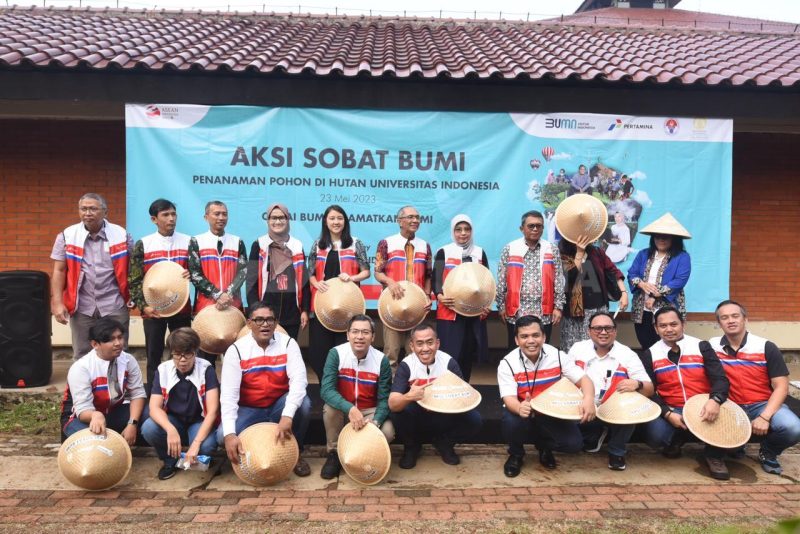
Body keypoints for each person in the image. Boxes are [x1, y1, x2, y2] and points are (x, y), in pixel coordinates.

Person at [218, 303, 312, 477]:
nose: (265, 324)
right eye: (259, 320)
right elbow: (228, 396)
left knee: (304, 405)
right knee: (221, 435)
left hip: (278, 405)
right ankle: (257, 454)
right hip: (249, 408)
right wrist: (230, 434)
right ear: (249, 323)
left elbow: (299, 382)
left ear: (276, 323)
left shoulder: (288, 343)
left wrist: (287, 415)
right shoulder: (236, 350)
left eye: (270, 320)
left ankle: (296, 452)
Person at [640, 307, 732, 480]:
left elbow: (721, 379)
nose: (669, 329)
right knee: (655, 436)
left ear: (683, 324)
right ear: (656, 329)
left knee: (732, 441)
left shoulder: (701, 346)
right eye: (663, 325)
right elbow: (648, 391)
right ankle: (678, 437)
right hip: (673, 409)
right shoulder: (650, 354)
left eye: (674, 324)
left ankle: (714, 455)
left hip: (704, 407)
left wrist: (715, 401)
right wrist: (667, 413)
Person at [498, 315, 595, 477]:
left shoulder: (557, 356)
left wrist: (589, 399)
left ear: (544, 337)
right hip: (524, 411)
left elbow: (584, 380)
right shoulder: (507, 363)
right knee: (510, 421)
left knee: (574, 444)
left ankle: (544, 447)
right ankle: (516, 454)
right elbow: (508, 398)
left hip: (551, 411)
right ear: (516, 340)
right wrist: (519, 407)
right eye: (524, 336)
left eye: (535, 335)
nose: (531, 341)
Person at [710, 300, 800, 475]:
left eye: (735, 316)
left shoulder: (765, 346)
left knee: (793, 428)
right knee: (726, 445)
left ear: (745, 319)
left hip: (762, 404)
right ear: (719, 323)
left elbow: (781, 386)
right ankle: (736, 445)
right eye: (724, 317)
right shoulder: (711, 347)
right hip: (730, 406)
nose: (731, 321)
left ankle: (768, 452)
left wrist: (765, 417)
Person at [50, 193, 133, 360]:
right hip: (82, 307)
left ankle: (116, 386)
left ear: (105, 212)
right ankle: (82, 387)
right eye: (84, 209)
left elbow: (133, 270)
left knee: (119, 355)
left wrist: (134, 297)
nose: (87, 213)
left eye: (93, 209)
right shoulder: (67, 236)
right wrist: (58, 303)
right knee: (82, 355)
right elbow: (59, 271)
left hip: (114, 305)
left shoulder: (122, 236)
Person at [388, 323, 482, 469]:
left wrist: (444, 401)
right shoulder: (406, 365)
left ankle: (445, 443)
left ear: (437, 343)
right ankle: (411, 447)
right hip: (417, 415)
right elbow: (393, 403)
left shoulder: (448, 362)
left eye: (430, 342)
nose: (425, 348)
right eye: (419, 344)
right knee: (398, 413)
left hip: (443, 415)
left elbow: (464, 396)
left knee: (474, 419)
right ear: (412, 346)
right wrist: (409, 396)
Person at [569, 312, 654, 471]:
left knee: (631, 405)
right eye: (598, 328)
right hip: (584, 405)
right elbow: (565, 378)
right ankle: (595, 435)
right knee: (578, 442)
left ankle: (617, 450)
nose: (603, 332)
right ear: (589, 331)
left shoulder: (627, 354)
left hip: (614, 407)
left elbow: (649, 389)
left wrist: (637, 384)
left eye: (608, 328)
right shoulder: (577, 349)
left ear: (615, 331)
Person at [319, 314, 394, 479]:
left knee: (388, 431)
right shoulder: (336, 354)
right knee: (329, 408)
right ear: (347, 335)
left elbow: (384, 399)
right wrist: (350, 408)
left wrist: (376, 422)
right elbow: (326, 390)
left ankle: (359, 453)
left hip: (369, 412)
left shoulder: (381, 360)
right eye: (355, 332)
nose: (360, 337)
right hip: (343, 410)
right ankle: (334, 453)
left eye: (365, 332)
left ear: (373, 337)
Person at [129, 198, 192, 388]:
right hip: (153, 310)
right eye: (165, 215)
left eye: (173, 214)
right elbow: (134, 280)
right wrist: (144, 306)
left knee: (184, 351)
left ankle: (184, 389)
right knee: (153, 354)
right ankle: (154, 394)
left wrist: (192, 273)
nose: (171, 219)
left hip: (181, 308)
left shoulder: (189, 241)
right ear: (153, 219)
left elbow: (198, 272)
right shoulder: (144, 244)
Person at [140, 328, 219, 480]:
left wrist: (196, 444)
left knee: (206, 446)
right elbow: (154, 408)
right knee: (149, 427)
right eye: (177, 354)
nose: (182, 360)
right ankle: (170, 460)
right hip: (174, 419)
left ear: (195, 352)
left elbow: (213, 411)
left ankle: (199, 455)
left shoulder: (206, 369)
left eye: (187, 354)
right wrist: (170, 429)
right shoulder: (163, 370)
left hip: (198, 420)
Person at [307, 205, 370, 381]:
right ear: (325, 222)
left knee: (345, 352)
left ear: (345, 221)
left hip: (348, 306)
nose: (336, 222)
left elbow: (366, 271)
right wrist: (316, 283)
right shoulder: (318, 245)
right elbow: (309, 273)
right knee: (319, 353)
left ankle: (343, 391)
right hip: (322, 306)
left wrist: (352, 277)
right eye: (332, 218)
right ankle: (324, 387)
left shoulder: (355, 243)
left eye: (340, 218)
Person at [61, 318, 146, 446]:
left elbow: (137, 394)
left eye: (119, 337)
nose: (118, 343)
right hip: (81, 418)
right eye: (110, 339)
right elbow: (83, 410)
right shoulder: (81, 368)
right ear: (95, 344)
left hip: (114, 412)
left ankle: (130, 439)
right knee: (97, 447)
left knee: (150, 415)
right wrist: (95, 415)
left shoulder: (128, 360)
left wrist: (132, 423)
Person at [188, 200, 247, 366]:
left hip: (233, 306)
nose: (221, 217)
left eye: (224, 214)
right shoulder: (196, 241)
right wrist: (217, 294)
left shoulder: (237, 242)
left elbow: (243, 271)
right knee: (205, 358)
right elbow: (195, 274)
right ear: (206, 217)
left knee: (235, 356)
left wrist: (227, 294)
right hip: (206, 307)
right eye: (216, 214)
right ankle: (208, 391)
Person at [433, 214, 490, 382]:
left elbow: (486, 282)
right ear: (453, 232)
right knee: (449, 354)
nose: (463, 233)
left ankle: (464, 389)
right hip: (449, 313)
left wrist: (486, 304)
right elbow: (436, 279)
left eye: (467, 229)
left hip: (473, 314)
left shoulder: (480, 252)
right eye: (458, 230)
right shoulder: (443, 251)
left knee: (467, 354)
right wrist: (440, 296)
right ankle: (447, 388)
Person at [496, 210, 565, 349]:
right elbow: (502, 279)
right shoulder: (510, 249)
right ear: (522, 229)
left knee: (542, 349)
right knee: (516, 350)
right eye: (531, 226)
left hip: (544, 310)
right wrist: (501, 306)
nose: (535, 229)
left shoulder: (551, 249)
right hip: (517, 310)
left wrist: (558, 306)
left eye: (539, 226)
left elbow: (558, 279)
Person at [374, 205, 433, 367]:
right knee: (391, 352)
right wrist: (390, 282)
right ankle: (390, 391)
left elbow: (429, 275)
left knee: (415, 352)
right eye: (410, 217)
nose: (415, 220)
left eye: (417, 217)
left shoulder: (424, 246)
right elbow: (377, 272)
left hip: (417, 307)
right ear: (399, 221)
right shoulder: (386, 243)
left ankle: (413, 388)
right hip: (392, 304)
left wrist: (427, 296)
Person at [246, 203, 310, 341]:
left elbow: (304, 280)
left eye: (282, 217)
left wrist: (304, 309)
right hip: (265, 312)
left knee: (288, 351)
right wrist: (254, 309)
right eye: (273, 218)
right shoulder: (259, 244)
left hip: (292, 312)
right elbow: (251, 280)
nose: (278, 221)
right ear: (268, 221)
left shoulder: (297, 246)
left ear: (287, 220)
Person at [627, 215, 691, 350]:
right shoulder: (643, 254)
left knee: (668, 343)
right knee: (645, 342)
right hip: (642, 308)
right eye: (657, 236)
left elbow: (679, 281)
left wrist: (655, 295)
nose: (661, 239)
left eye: (666, 236)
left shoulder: (682, 257)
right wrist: (641, 284)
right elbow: (632, 274)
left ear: (674, 239)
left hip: (667, 307)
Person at [558, 235, 628, 352]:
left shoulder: (597, 251)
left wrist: (624, 293)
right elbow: (571, 277)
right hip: (573, 314)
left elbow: (613, 271)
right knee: (572, 349)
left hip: (598, 309)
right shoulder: (561, 253)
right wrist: (579, 252)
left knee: (599, 347)